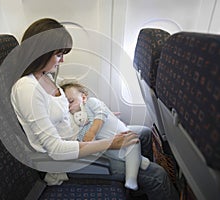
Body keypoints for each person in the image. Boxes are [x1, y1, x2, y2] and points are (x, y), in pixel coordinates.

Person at [10, 18, 179, 200]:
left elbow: (63, 116)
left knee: (144, 134)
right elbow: (56, 149)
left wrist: (95, 117)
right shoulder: (27, 89)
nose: (63, 60)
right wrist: (109, 143)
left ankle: (137, 189)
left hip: (82, 138)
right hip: (67, 161)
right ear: (41, 51)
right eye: (59, 54)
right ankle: (146, 180)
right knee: (157, 175)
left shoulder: (45, 76)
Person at [61, 82, 151, 190]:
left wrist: (92, 132)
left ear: (83, 97)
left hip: (118, 132)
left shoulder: (91, 102)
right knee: (114, 152)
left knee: (133, 140)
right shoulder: (74, 119)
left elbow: (101, 112)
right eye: (64, 104)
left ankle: (131, 178)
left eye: (71, 101)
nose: (68, 106)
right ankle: (137, 164)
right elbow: (81, 137)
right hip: (105, 141)